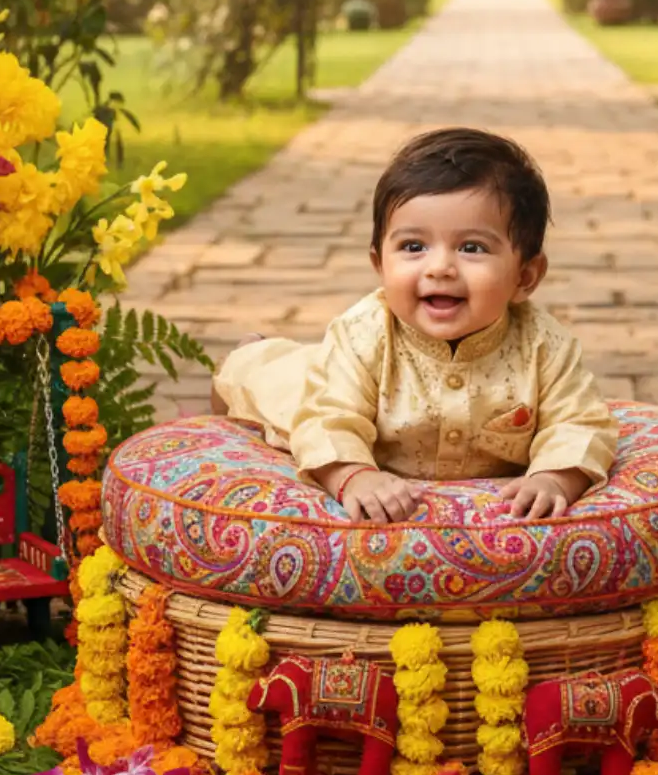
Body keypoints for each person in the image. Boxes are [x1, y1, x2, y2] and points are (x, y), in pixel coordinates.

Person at [212, 128, 618, 522]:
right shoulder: (361, 335)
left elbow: (579, 422)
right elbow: (325, 419)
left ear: (525, 277)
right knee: (270, 382)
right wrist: (354, 476)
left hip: (359, 380)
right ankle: (249, 352)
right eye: (413, 247)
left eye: (471, 248)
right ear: (379, 264)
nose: (439, 267)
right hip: (322, 383)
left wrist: (555, 478)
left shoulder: (546, 347)